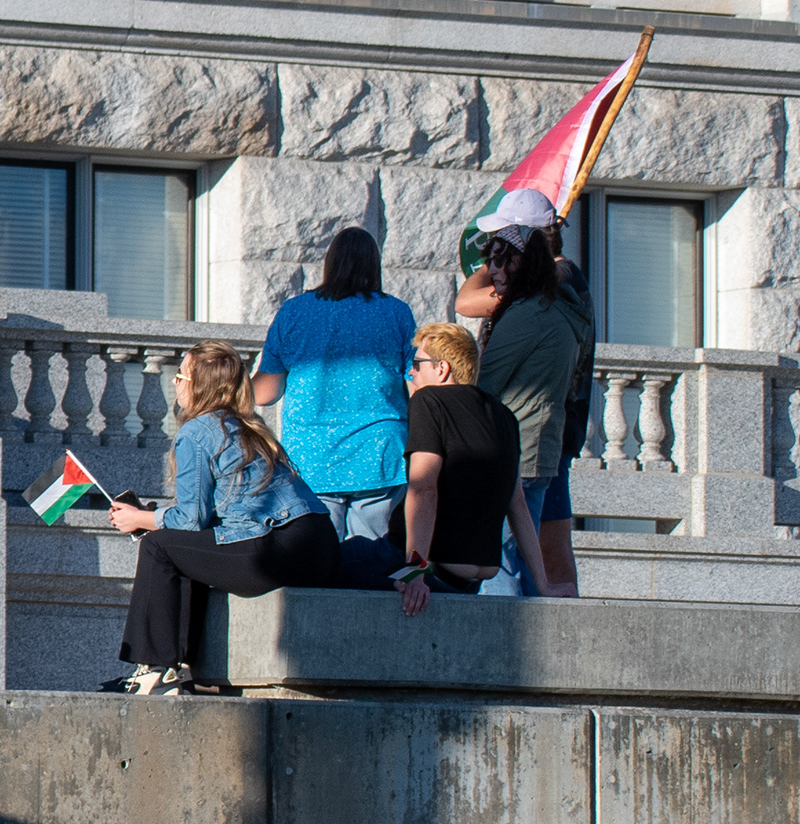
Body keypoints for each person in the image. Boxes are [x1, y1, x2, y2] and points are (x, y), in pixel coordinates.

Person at [102, 343, 340, 694]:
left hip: (274, 548)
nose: (175, 383)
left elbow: (189, 520)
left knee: (158, 546)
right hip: (319, 546)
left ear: (200, 386)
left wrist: (140, 518)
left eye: (181, 375)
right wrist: (154, 516)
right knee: (187, 549)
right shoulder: (250, 427)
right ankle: (179, 667)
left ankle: (155, 667)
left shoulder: (198, 431)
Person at [248, 225, 418, 545]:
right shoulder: (396, 312)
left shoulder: (294, 312)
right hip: (379, 454)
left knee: (320, 560)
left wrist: (224, 384)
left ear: (330, 263)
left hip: (311, 458)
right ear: (373, 265)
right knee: (370, 560)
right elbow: (418, 381)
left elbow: (266, 392)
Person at [462, 191, 591, 598]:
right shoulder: (561, 299)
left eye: (501, 247)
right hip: (548, 439)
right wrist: (501, 254)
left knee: (505, 556)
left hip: (522, 442)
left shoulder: (547, 292)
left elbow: (466, 302)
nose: (491, 268)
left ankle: (510, 646)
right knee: (537, 555)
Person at [386, 322, 549, 616]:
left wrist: (414, 575)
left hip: (427, 571)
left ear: (442, 369)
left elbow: (424, 488)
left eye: (417, 364)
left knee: (328, 562)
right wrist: (544, 586)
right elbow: (519, 506)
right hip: (471, 580)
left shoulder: (429, 400)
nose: (411, 373)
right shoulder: (504, 416)